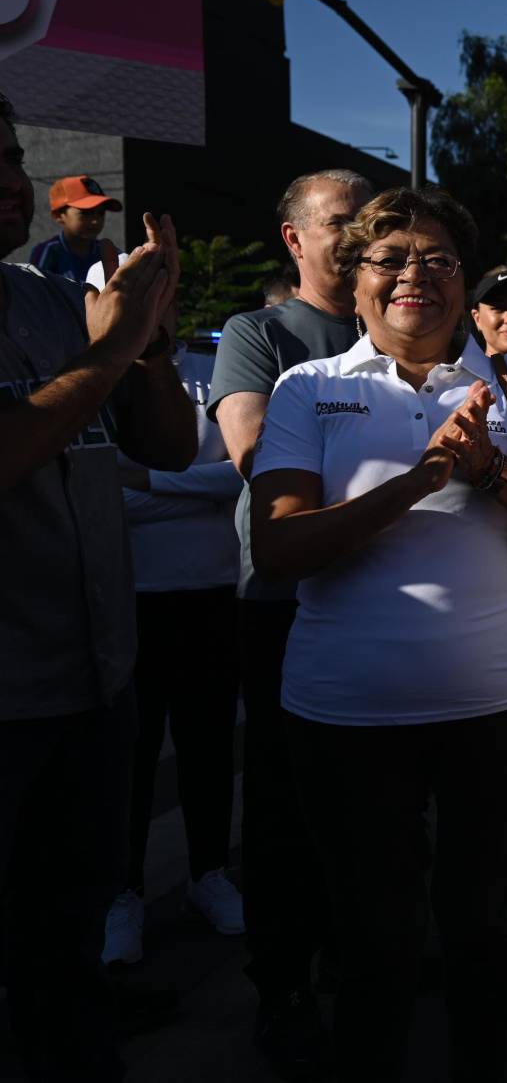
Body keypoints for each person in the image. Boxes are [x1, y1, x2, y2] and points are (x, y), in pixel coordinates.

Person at [247, 187, 507, 1082]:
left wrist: (491, 472)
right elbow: (282, 545)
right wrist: (421, 478)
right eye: (390, 259)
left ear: (465, 279)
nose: (415, 275)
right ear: (356, 282)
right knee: (375, 942)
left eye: (438, 258)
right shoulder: (307, 388)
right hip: (346, 716)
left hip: (505, 703)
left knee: (484, 931)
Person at [0, 90, 196, 1083]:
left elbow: (167, 444)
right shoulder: (78, 320)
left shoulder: (47, 302)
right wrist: (113, 346)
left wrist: (151, 342)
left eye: (12, 154)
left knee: (66, 955)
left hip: (92, 687)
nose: (12, 181)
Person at [208, 167, 370, 1072]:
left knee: (372, 799)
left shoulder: (407, 326)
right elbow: (254, 454)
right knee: (283, 803)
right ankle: (284, 983)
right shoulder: (257, 333)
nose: (359, 239)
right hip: (285, 602)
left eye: (369, 222)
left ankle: (361, 956)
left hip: (387, 597)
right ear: (296, 240)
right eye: (341, 223)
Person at [103, 334, 247, 967]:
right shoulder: (96, 381)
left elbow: (240, 474)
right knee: (130, 757)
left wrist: (148, 480)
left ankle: (208, 874)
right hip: (129, 598)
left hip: (212, 595)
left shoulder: (215, 370)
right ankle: (122, 893)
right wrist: (188, 486)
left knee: (209, 747)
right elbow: (102, 489)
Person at [26, 175, 120, 285]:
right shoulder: (49, 252)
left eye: (101, 213)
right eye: (85, 213)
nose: (95, 220)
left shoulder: (109, 253)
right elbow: (35, 292)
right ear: (59, 215)